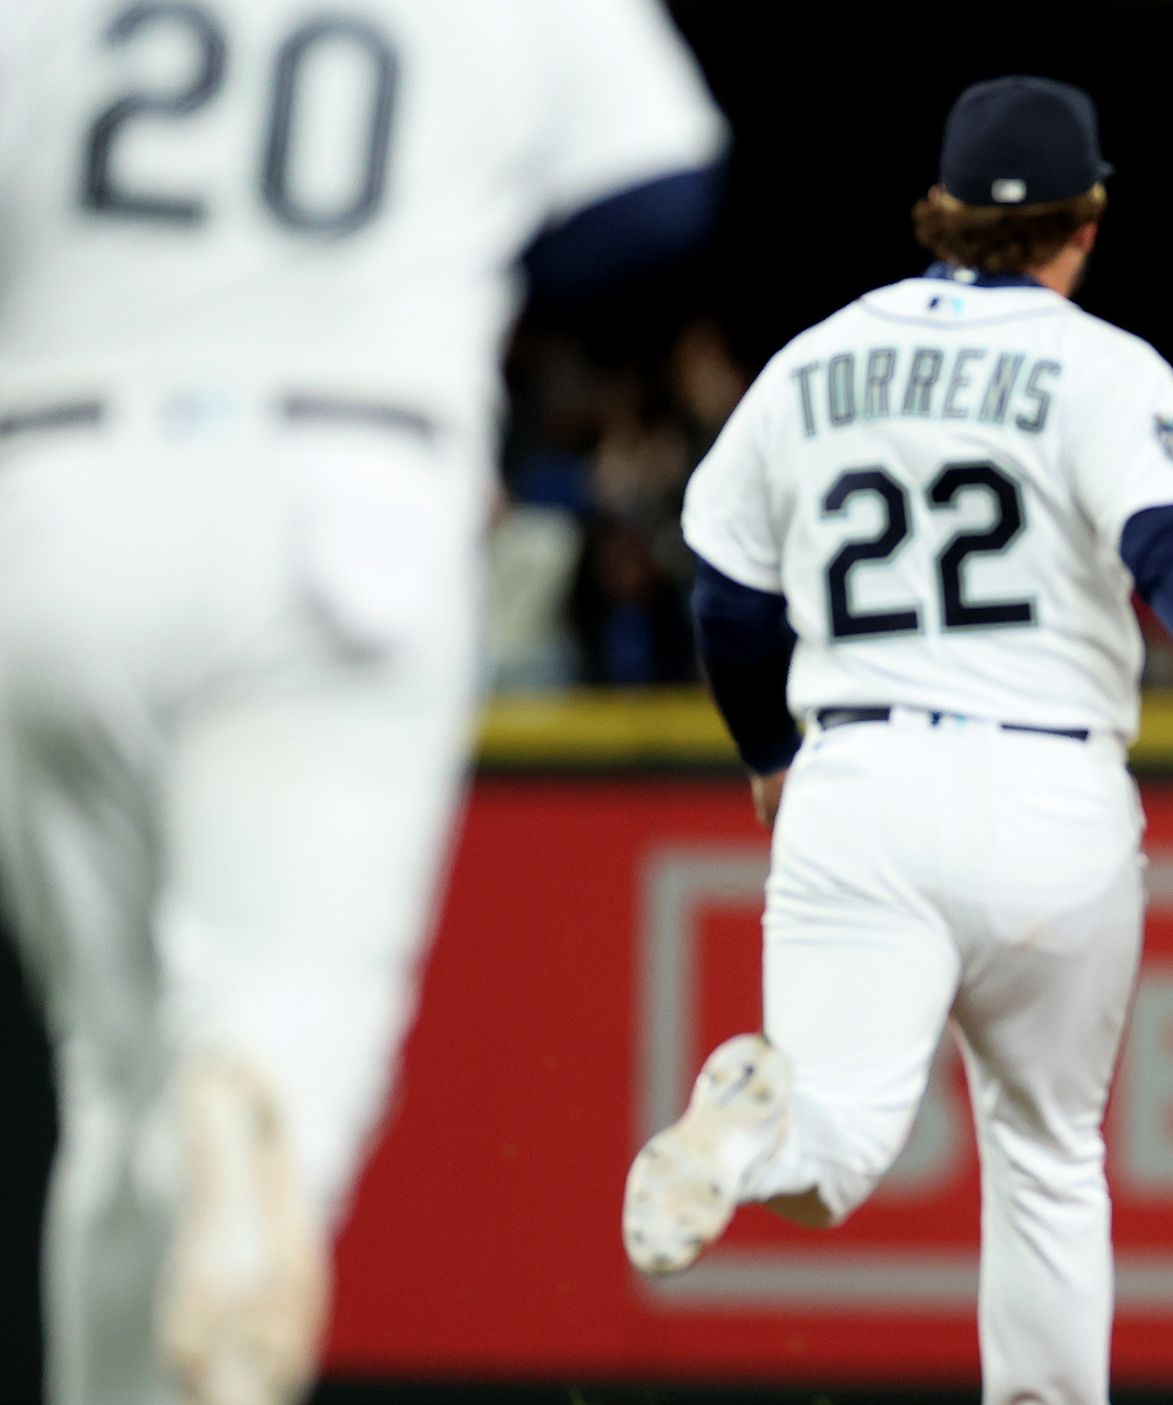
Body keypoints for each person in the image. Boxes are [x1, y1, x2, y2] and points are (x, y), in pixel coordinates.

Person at [623, 76, 1173, 1405]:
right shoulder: (1099, 367)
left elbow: (728, 594)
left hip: (853, 780)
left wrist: (767, 752)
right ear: (1084, 220)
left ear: (937, 215)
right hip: (1044, 787)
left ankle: (747, 1132)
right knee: (1046, 1154)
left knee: (835, 1148)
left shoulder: (814, 363)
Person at [0, 3, 725, 1402]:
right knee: (279, 1018)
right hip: (347, 487)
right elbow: (656, 196)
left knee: (114, 1072)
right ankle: (257, 1097)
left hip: (58, 490)